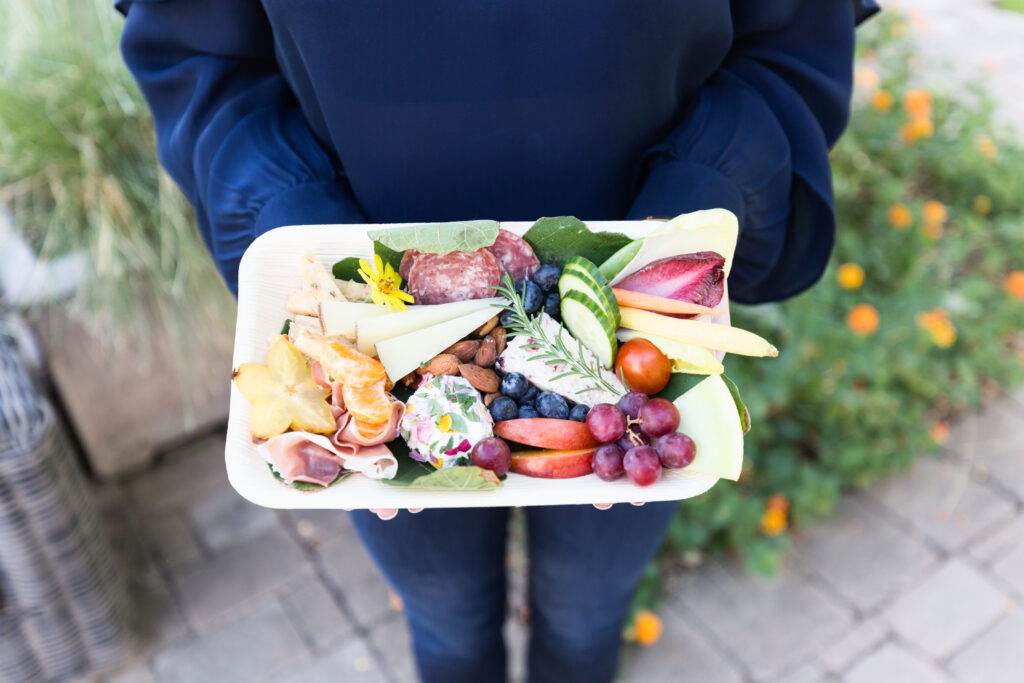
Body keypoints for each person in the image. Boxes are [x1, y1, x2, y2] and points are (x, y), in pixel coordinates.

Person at [117, 1, 878, 680]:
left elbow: (792, 42)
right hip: (371, 343)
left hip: (638, 346)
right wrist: (312, 245)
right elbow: (200, 54)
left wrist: (679, 229)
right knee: (447, 623)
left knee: (586, 617)